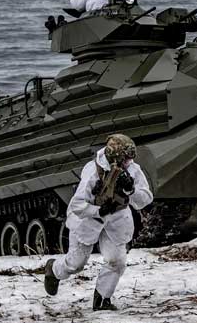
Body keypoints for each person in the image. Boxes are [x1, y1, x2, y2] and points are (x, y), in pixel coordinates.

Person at [43, 133, 153, 310]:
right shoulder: (92, 171)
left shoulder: (133, 170)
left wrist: (131, 190)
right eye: (125, 159)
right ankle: (53, 270)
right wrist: (98, 210)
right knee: (75, 264)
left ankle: (102, 300)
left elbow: (146, 198)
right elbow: (77, 204)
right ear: (115, 156)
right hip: (88, 220)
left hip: (117, 219)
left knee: (116, 261)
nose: (128, 163)